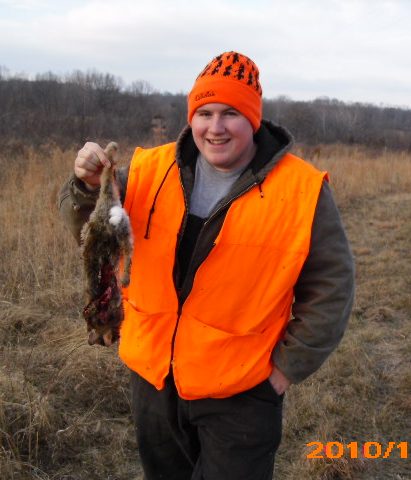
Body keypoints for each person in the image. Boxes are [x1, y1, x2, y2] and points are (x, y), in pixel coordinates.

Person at [58, 51, 355, 480]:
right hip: (154, 379)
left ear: (253, 118)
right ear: (191, 116)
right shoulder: (147, 169)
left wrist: (287, 369)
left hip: (241, 391)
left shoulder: (302, 189)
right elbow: (91, 234)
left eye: (230, 113)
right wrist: (85, 185)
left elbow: (332, 287)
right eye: (204, 112)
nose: (215, 128)